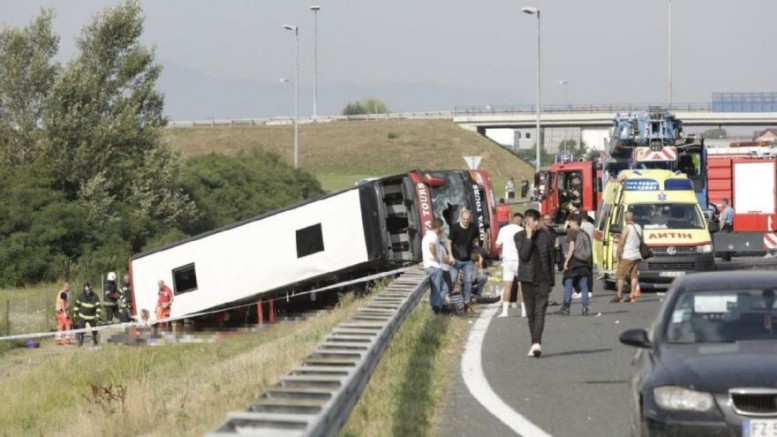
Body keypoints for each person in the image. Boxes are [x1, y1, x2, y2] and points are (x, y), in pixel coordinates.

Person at [515, 208, 555, 357]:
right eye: (533, 222)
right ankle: (534, 343)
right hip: (526, 279)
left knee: (540, 312)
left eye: (537, 221)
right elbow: (524, 255)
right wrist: (529, 237)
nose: (536, 224)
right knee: (531, 314)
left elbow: (550, 260)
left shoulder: (546, 236)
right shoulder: (518, 237)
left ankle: (537, 342)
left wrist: (552, 282)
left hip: (543, 279)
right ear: (526, 222)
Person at [557, 214, 593, 316]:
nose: (569, 223)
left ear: (573, 222)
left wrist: (566, 261)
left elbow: (572, 248)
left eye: (570, 221)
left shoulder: (572, 232)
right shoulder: (584, 233)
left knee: (568, 284)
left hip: (574, 263)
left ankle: (566, 307)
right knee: (584, 287)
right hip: (584, 263)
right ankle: (585, 308)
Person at [447, 209, 479, 304]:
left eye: (468, 219)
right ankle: (446, 297)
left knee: (468, 280)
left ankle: (467, 300)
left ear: (470, 218)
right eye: (464, 219)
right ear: (461, 218)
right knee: (452, 279)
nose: (466, 221)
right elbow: (449, 242)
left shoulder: (474, 227)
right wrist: (450, 256)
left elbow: (476, 240)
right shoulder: (455, 228)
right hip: (456, 258)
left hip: (468, 259)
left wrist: (477, 254)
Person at [496, 212, 525, 318]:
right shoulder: (522, 230)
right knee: (522, 285)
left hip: (507, 260)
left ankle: (505, 311)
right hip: (519, 260)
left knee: (507, 286)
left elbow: (497, 244)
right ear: (521, 221)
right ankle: (524, 311)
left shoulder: (503, 229)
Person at [613, 211, 642, 303]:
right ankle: (632, 295)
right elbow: (641, 240)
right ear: (633, 218)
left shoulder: (626, 229)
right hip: (637, 255)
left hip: (627, 255)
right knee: (634, 275)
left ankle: (619, 296)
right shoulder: (639, 227)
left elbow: (621, 243)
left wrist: (617, 255)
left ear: (625, 219)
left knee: (621, 275)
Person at [423, 218, 447, 313]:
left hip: (428, 266)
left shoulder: (427, 235)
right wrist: (435, 256)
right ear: (440, 227)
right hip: (434, 266)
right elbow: (431, 246)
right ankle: (436, 309)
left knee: (440, 288)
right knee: (437, 290)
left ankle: (436, 306)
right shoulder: (433, 236)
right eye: (442, 227)